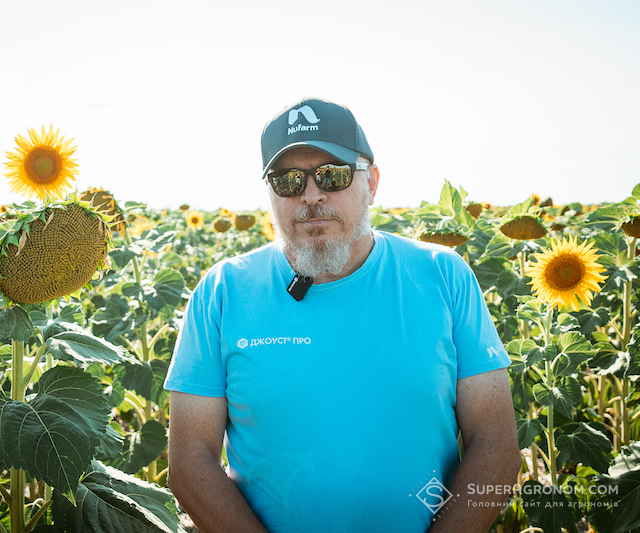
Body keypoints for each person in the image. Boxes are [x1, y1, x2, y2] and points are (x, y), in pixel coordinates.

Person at [164, 97, 521, 533]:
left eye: (331, 175)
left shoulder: (444, 276)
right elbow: (190, 462)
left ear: (370, 182)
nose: (312, 196)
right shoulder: (222, 292)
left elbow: (496, 444)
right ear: (270, 193)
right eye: (288, 181)